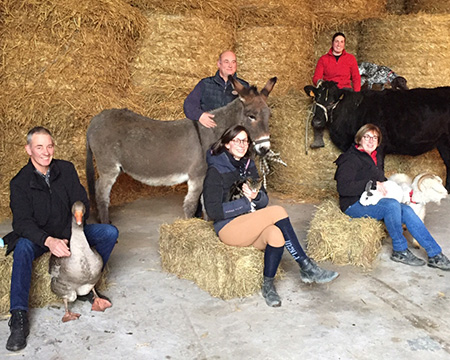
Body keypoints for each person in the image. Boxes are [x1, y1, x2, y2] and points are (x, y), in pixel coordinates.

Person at [3, 127, 119, 352]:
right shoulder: (19, 182)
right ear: (28, 150)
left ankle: (87, 285)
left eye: (49, 146)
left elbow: (80, 198)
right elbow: (22, 223)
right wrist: (48, 241)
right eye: (39, 147)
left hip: (70, 232)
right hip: (40, 237)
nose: (46, 152)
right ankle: (18, 316)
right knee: (22, 248)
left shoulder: (65, 169)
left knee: (109, 233)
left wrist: (78, 222)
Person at [203, 125, 339, 308]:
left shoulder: (248, 166)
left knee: (276, 235)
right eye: (236, 140)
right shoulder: (216, 170)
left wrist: (255, 197)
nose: (241, 145)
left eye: (245, 141)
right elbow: (213, 212)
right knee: (277, 212)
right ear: (227, 144)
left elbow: (263, 200)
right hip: (229, 229)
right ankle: (306, 266)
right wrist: (245, 204)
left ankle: (268, 287)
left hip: (249, 224)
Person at [334, 123, 450, 270]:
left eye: (374, 138)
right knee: (391, 206)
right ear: (359, 139)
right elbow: (343, 188)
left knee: (407, 210)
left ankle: (435, 254)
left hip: (372, 200)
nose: (371, 141)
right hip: (354, 205)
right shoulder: (349, 159)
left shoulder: (373, 157)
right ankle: (399, 250)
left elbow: (381, 180)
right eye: (367, 137)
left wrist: (399, 190)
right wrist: (372, 184)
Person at [183, 50, 249, 128]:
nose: (230, 65)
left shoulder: (244, 86)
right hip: (208, 131)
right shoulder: (205, 84)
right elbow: (189, 104)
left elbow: (253, 112)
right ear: (219, 64)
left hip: (232, 134)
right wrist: (200, 115)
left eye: (233, 62)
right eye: (226, 62)